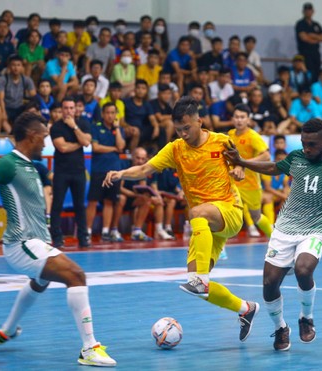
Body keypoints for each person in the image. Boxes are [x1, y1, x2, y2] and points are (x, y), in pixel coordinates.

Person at [0, 112, 116, 367]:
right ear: (32, 137)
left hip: (37, 242)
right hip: (22, 244)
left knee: (39, 283)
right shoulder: (7, 164)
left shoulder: (32, 166)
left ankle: (7, 330)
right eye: (43, 137)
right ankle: (90, 348)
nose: (46, 143)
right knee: (76, 275)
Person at [103, 96, 260, 343]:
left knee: (195, 216)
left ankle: (202, 280)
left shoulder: (221, 142)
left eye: (187, 127)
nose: (184, 133)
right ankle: (246, 309)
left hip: (229, 210)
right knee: (197, 286)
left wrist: (239, 170)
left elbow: (239, 165)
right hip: (206, 223)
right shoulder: (175, 148)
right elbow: (145, 169)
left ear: (200, 121)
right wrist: (120, 173)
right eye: (179, 130)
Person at [223, 118, 322, 351]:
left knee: (303, 269)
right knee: (269, 284)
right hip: (285, 228)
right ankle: (281, 328)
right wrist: (241, 161)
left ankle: (306, 317)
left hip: (315, 229)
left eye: (312, 144)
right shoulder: (296, 157)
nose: (307, 148)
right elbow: (273, 168)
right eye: (303, 143)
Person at [227, 104, 273, 243]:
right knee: (226, 212)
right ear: (233, 118)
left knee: (256, 217)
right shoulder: (230, 134)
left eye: (242, 117)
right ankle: (220, 247)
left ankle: (275, 240)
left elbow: (266, 156)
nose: (239, 120)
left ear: (248, 119)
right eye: (236, 117)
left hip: (251, 184)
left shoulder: (253, 136)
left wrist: (243, 164)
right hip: (233, 181)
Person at [50, 97, 91, 249]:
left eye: (71, 108)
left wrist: (74, 127)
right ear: (61, 110)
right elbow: (63, 148)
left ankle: (83, 237)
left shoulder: (83, 123)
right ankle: (57, 237)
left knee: (80, 206)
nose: (69, 111)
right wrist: (79, 142)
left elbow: (87, 142)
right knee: (57, 205)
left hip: (79, 171)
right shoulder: (56, 127)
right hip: (61, 172)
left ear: (76, 109)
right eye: (66, 108)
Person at [86, 103, 126, 242]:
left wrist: (117, 130)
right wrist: (113, 148)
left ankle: (105, 232)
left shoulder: (119, 130)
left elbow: (121, 147)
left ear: (116, 114)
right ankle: (88, 231)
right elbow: (96, 147)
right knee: (93, 201)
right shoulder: (95, 127)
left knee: (109, 201)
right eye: (107, 112)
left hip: (114, 170)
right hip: (98, 170)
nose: (110, 115)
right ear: (103, 114)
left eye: (113, 112)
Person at [111, 147, 155, 242]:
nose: (140, 161)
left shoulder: (143, 169)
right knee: (122, 198)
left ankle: (137, 231)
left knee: (146, 199)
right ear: (132, 157)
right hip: (118, 197)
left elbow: (142, 189)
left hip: (132, 199)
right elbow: (120, 188)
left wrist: (142, 194)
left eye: (143, 159)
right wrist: (134, 195)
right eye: (137, 158)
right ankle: (113, 231)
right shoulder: (123, 165)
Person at [0, 55, 36, 128]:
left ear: (22, 67)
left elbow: (34, 96)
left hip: (20, 108)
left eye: (18, 65)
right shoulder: (3, 80)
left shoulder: (27, 80)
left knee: (32, 110)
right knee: (2, 118)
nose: (16, 68)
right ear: (9, 67)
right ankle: (11, 134)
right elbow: (0, 99)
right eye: (13, 65)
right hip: (7, 107)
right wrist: (3, 112)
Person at [295, 2, 322, 82]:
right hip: (305, 54)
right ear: (303, 12)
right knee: (307, 75)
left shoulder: (316, 24)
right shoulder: (300, 24)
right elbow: (304, 38)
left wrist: (312, 35)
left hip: (315, 54)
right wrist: (317, 38)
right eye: (306, 10)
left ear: (313, 11)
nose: (308, 12)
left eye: (310, 10)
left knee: (316, 74)